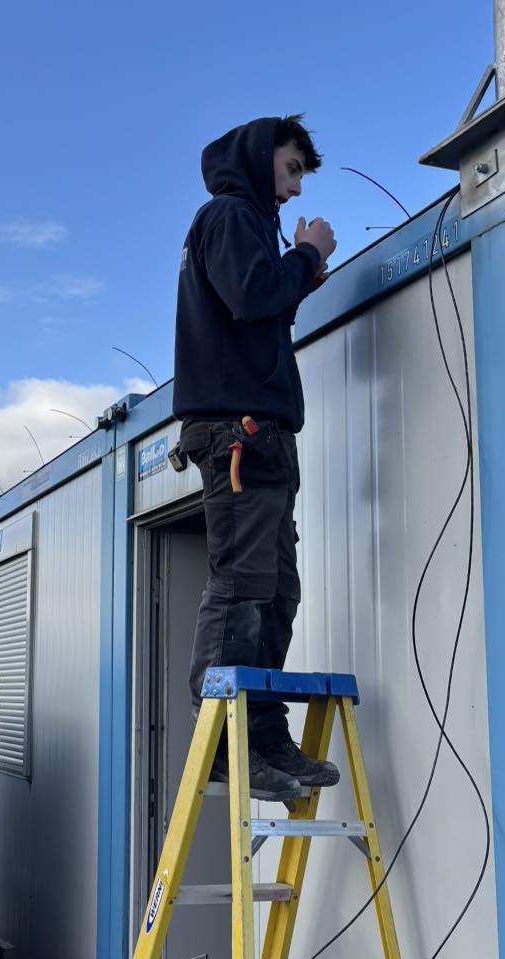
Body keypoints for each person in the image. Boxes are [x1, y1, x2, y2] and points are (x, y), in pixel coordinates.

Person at [172, 114, 339, 802]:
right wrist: (306, 257)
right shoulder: (230, 214)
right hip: (238, 437)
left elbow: (256, 306)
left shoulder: (241, 225)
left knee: (277, 591)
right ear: (260, 154)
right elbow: (249, 295)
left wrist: (294, 274)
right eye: (293, 168)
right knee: (242, 585)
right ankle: (219, 741)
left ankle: (264, 734)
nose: (296, 190)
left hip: (263, 438)